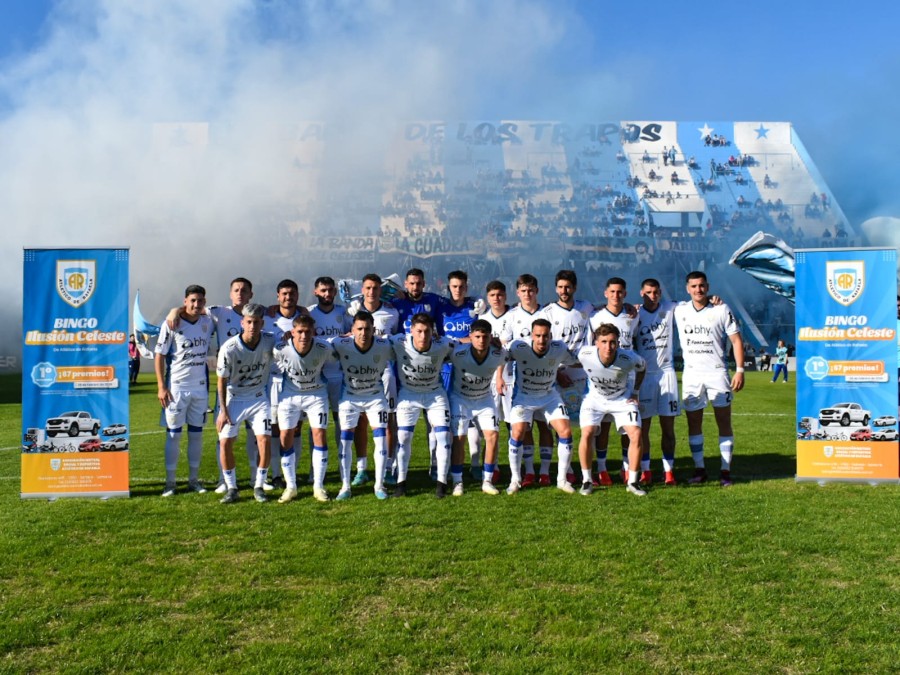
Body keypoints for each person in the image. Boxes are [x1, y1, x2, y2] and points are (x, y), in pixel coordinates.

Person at [673, 271, 745, 487]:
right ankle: (700, 470)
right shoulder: (679, 310)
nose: (698, 290)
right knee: (693, 423)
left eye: (702, 285)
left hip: (717, 373)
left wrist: (740, 370)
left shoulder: (721, 308)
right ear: (687, 288)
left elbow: (736, 340)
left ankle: (725, 472)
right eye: (694, 286)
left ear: (708, 286)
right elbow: (653, 307)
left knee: (724, 422)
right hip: (692, 374)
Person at [500, 318, 577, 494]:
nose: (542, 340)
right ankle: (515, 480)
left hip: (549, 396)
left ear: (550, 336)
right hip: (524, 397)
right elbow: (500, 357)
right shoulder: (518, 347)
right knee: (518, 432)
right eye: (538, 336)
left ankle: (561, 480)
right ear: (531, 335)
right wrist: (499, 377)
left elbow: (575, 360)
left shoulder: (559, 348)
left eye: (545, 336)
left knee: (565, 431)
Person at [154, 284, 214, 497]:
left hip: (200, 389)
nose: (196, 304)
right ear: (185, 301)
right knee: (173, 436)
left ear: (204, 302)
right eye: (192, 300)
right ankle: (170, 483)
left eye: (200, 301)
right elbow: (159, 355)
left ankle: (193, 481)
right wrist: (162, 386)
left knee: (196, 436)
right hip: (175, 389)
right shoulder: (172, 323)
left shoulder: (209, 321)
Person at [216, 303, 278, 504]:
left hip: (259, 398)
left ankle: (259, 485)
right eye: (249, 322)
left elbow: (291, 342)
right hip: (234, 399)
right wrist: (223, 411)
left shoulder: (270, 340)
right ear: (242, 322)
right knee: (225, 442)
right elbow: (221, 380)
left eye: (257, 322)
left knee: (264, 440)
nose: (252, 326)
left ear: (262, 323)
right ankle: (232, 487)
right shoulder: (229, 348)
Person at [576, 323, 646, 496]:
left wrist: (635, 392)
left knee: (636, 434)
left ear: (618, 343)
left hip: (622, 399)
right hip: (594, 398)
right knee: (587, 433)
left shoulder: (629, 358)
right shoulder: (584, 354)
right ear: (596, 343)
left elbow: (642, 368)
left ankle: (633, 482)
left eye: (613, 342)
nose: (609, 346)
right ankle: (587, 480)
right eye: (604, 342)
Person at [389, 313, 455, 497]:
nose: (423, 336)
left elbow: (467, 343)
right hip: (408, 394)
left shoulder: (442, 345)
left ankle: (441, 483)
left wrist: (493, 341)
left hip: (434, 394)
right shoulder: (398, 342)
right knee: (403, 437)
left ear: (433, 332)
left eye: (427, 331)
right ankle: (401, 483)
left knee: (443, 436)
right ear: (411, 330)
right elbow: (375, 340)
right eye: (419, 331)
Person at [272, 314, 335, 503]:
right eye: (299, 332)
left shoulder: (324, 348)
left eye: (308, 332)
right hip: (289, 397)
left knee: (319, 435)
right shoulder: (280, 349)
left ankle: (318, 486)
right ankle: (291, 486)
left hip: (316, 395)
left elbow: (336, 358)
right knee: (285, 437)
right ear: (292, 332)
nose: (303, 336)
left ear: (313, 332)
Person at [331, 311, 394, 500]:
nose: (363, 333)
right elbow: (316, 343)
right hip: (349, 397)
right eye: (359, 329)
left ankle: (379, 485)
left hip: (375, 397)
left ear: (374, 330)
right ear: (352, 330)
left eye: (367, 329)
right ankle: (345, 487)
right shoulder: (340, 344)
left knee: (380, 439)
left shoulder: (384, 345)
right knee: (345, 441)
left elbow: (408, 341)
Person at [539, 270, 591, 486]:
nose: (564, 291)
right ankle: (566, 470)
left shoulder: (586, 308)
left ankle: (587, 468)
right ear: (555, 288)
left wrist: (629, 308)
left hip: (582, 374)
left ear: (575, 288)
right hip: (558, 376)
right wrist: (557, 373)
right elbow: (543, 345)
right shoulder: (548, 312)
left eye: (567, 287)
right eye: (560, 287)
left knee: (588, 425)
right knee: (559, 426)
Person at [349, 274, 401, 488]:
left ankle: (388, 468)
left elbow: (397, 343)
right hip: (359, 375)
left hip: (385, 373)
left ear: (381, 290)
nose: (372, 292)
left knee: (389, 421)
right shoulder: (351, 311)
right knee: (361, 420)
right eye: (368, 288)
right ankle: (362, 469)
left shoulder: (391, 312)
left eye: (376, 288)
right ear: (362, 289)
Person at [588, 277, 640, 486]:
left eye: (620, 292)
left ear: (625, 294)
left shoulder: (633, 315)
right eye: (612, 292)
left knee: (628, 426)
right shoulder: (594, 316)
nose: (616, 295)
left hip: (627, 378)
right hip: (603, 377)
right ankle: (601, 469)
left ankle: (627, 468)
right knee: (603, 426)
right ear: (605, 293)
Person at [447, 319, 508, 495]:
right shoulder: (458, 352)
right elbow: (448, 345)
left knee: (493, 436)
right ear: (471, 337)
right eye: (477, 336)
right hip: (460, 399)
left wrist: (500, 376)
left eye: (485, 337)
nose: (481, 340)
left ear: (491, 337)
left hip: (484, 399)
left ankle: (487, 480)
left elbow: (505, 356)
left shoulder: (498, 354)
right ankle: (457, 481)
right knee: (459, 439)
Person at [505, 273, 554, 486]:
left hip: (546, 380)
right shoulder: (511, 316)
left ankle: (545, 472)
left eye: (531, 290)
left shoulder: (548, 313)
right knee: (524, 427)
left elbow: (555, 345)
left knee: (545, 427)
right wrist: (500, 375)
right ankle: (529, 471)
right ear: (517, 293)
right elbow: (504, 348)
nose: (527, 294)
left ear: (537, 291)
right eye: (523, 291)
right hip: (522, 381)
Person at [635, 278, 680, 486]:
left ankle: (669, 471)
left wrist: (714, 299)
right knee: (643, 428)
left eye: (655, 292)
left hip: (667, 374)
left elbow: (696, 303)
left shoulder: (671, 309)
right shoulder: (634, 315)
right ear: (641, 294)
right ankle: (646, 470)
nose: (652, 296)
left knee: (668, 427)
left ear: (660, 293)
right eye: (648, 293)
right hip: (645, 376)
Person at [306, 276, 351, 482]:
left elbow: (355, 332)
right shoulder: (308, 313)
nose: (327, 294)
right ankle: (314, 470)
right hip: (317, 376)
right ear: (316, 292)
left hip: (340, 376)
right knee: (316, 426)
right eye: (323, 290)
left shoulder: (344, 312)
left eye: (330, 290)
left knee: (341, 423)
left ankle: (344, 469)